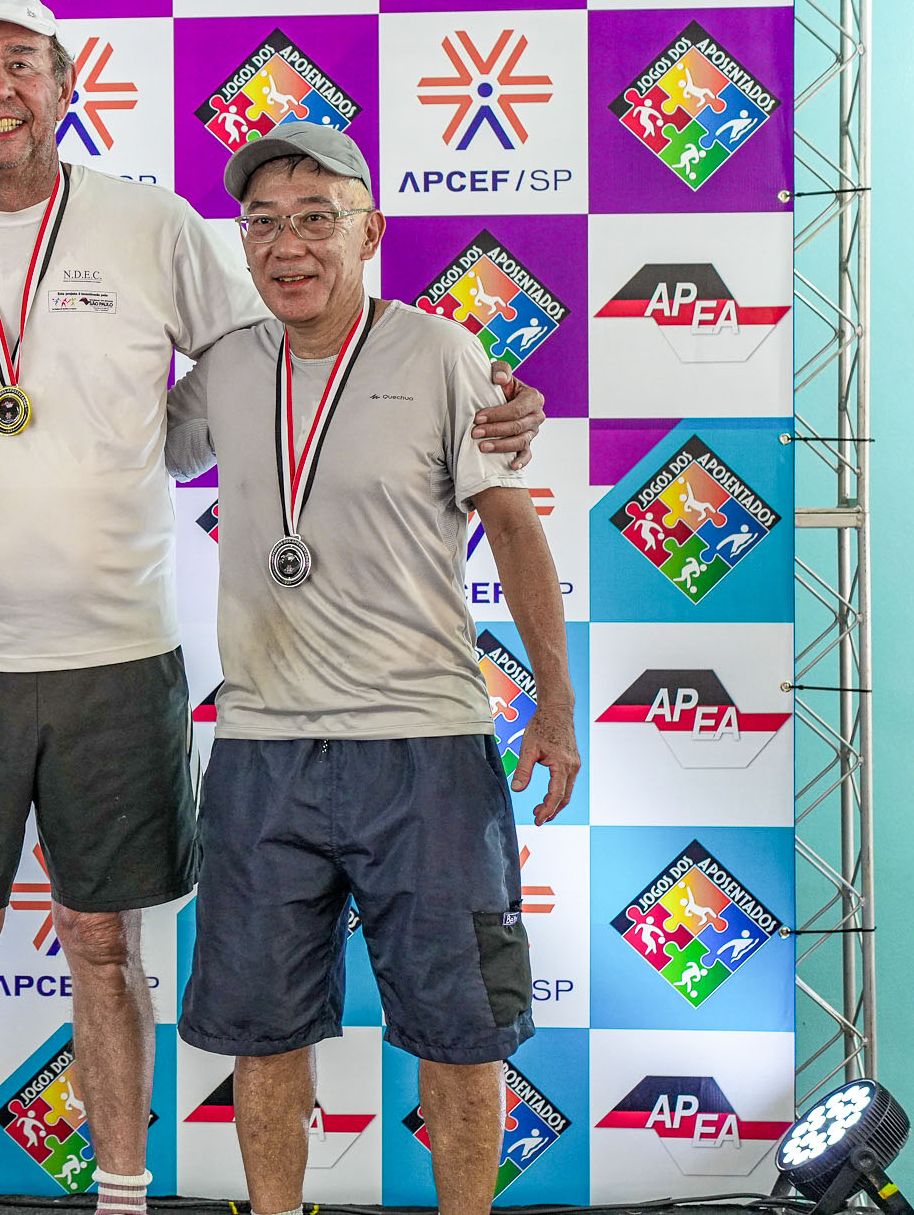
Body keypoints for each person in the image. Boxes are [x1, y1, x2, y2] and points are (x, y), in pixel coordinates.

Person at [0, 0, 547, 1215]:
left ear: (65, 81)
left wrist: (485, 392)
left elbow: (296, 353)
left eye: (18, 63)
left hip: (129, 660)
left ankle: (124, 1198)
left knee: (105, 943)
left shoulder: (156, 225)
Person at [165, 123, 580, 1215]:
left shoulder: (440, 353)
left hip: (425, 747)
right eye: (262, 222)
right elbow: (118, 444)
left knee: (461, 1033)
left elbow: (513, 525)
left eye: (317, 218)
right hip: (263, 747)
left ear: (369, 232)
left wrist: (554, 704)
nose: (287, 245)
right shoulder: (227, 365)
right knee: (261, 1034)